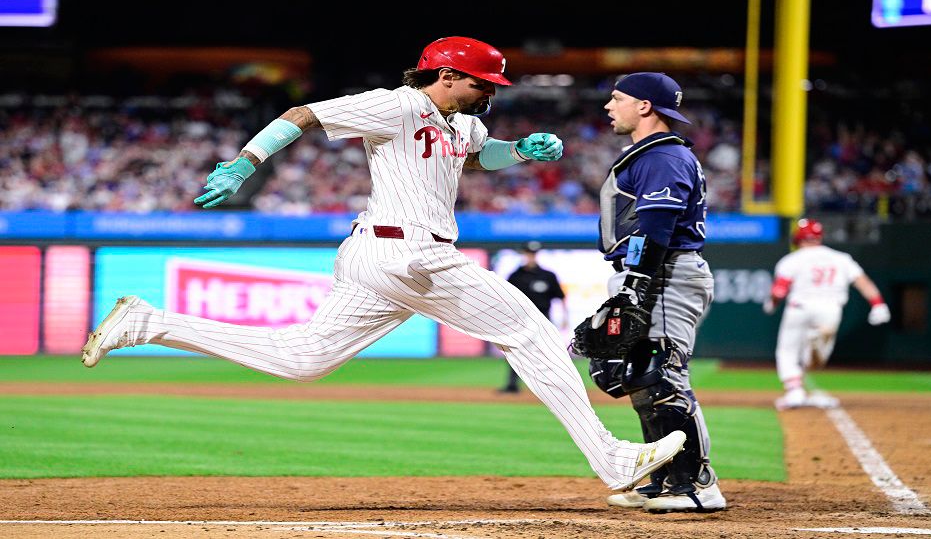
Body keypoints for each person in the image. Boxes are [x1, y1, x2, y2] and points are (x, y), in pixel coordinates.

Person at [80, 37, 686, 493]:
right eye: (481, 83)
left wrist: (519, 152)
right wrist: (246, 162)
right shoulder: (396, 105)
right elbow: (305, 115)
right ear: (446, 75)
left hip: (378, 258)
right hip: (407, 250)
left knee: (306, 358)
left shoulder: (459, 122)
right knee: (528, 331)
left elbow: (477, 155)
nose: (492, 92)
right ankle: (613, 460)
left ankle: (146, 324)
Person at [591, 72, 726, 512]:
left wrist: (635, 283)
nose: (609, 107)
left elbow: (656, 225)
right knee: (643, 379)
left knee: (664, 376)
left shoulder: (663, 156)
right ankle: (667, 477)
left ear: (645, 106)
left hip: (665, 273)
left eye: (617, 99)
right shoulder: (649, 155)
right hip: (653, 272)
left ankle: (696, 484)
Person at [763, 218, 891, 410]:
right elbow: (862, 282)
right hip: (831, 309)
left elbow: (779, 291)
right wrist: (878, 304)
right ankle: (813, 347)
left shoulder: (791, 260)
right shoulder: (841, 258)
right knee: (816, 361)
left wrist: (772, 304)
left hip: (800, 307)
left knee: (787, 351)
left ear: (798, 238)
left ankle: (795, 391)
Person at [498, 240, 568, 394]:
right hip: (521, 319)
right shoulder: (515, 276)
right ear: (524, 254)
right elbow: (506, 298)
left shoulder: (548, 275)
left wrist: (565, 317)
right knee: (516, 351)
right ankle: (512, 385)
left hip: (543, 318)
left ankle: (554, 386)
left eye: (533, 254)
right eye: (528, 253)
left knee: (548, 352)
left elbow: (561, 297)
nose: (531, 256)